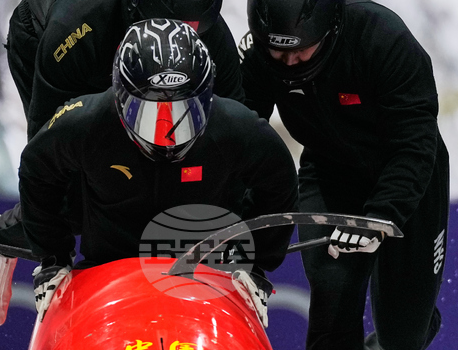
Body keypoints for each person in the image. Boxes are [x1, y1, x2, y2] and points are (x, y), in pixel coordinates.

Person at [239, 0, 451, 350]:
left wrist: (382, 216)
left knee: (406, 339)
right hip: (330, 175)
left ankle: (385, 344)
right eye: (277, 52)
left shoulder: (386, 42)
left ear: (330, 30)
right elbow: (240, 134)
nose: (288, 63)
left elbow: (415, 146)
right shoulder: (261, 57)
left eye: (300, 51)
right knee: (334, 298)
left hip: (407, 179)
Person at [0, 0, 246, 327]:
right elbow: (47, 156)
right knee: (87, 189)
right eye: (166, 28)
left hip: (104, 38)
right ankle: (0, 236)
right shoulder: (74, 32)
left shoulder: (211, 39)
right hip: (50, 37)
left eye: (189, 32)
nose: (174, 45)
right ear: (136, 6)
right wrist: (50, 246)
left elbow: (236, 139)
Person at [22, 19, 298, 333]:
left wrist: (255, 264)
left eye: (184, 113)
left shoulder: (234, 127)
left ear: (206, 98)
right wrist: (53, 257)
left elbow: (279, 178)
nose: (167, 135)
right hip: (105, 277)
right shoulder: (86, 122)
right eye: (148, 113)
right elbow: (37, 168)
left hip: (207, 280)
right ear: (120, 97)